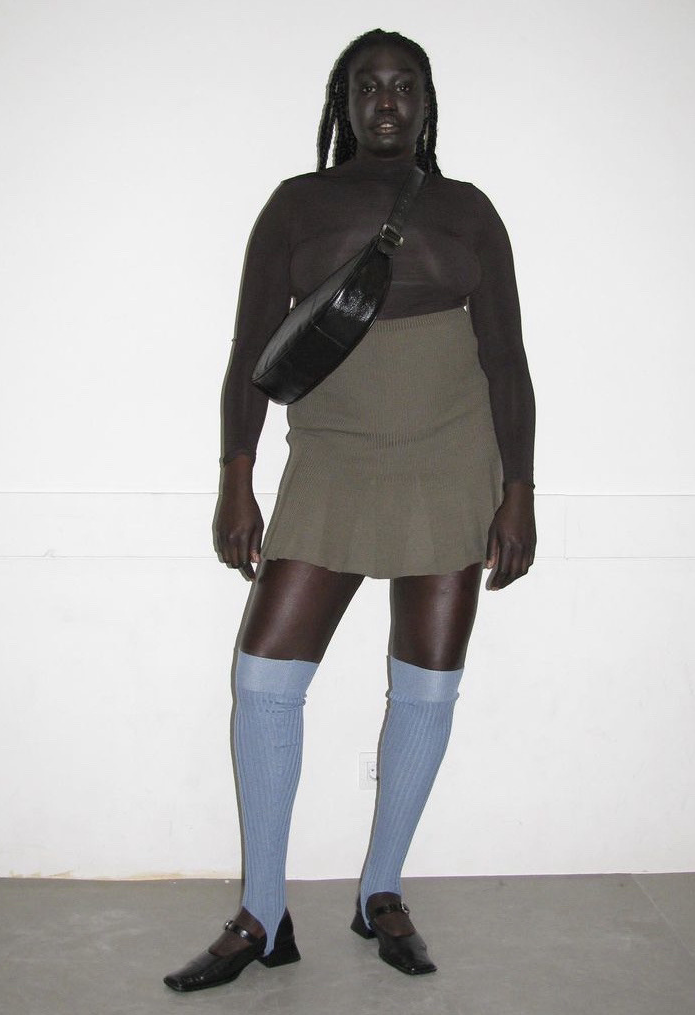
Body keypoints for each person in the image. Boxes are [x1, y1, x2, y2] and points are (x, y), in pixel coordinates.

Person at [163, 27, 536, 991]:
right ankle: (262, 911)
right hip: (330, 457)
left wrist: (520, 489)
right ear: (344, 102)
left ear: (426, 102)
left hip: (452, 457)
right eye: (367, 85)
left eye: (404, 84)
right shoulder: (297, 204)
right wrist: (236, 475)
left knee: (427, 685)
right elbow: (250, 349)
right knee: (264, 678)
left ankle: (381, 892)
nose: (387, 99)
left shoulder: (468, 210)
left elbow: (507, 359)